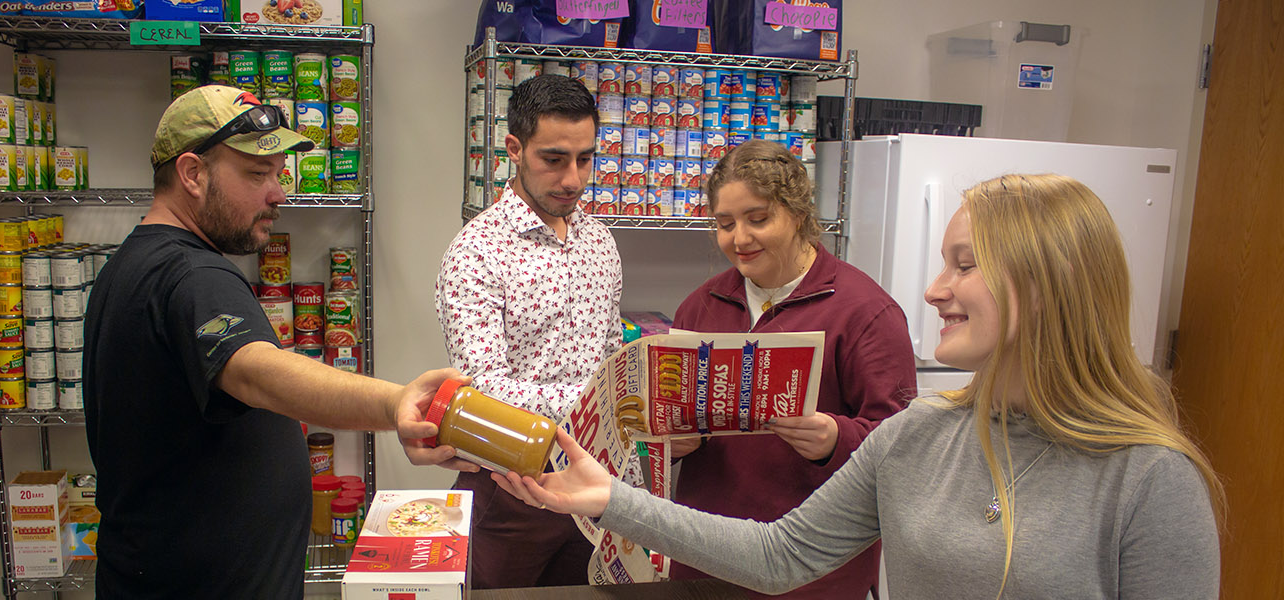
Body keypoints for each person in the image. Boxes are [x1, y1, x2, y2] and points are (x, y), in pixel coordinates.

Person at [494, 173, 1226, 598]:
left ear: (1049, 283)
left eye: (964, 265)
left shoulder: (1150, 478)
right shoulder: (921, 436)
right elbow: (780, 555)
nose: (935, 289)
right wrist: (612, 500)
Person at [83, 85, 468, 599]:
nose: (278, 193)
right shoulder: (194, 275)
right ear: (193, 174)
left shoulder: (132, 263)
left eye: (279, 173)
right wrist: (396, 401)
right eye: (256, 174)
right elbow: (256, 370)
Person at [665, 139, 916, 599]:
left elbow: (905, 450)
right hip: (704, 556)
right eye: (724, 225)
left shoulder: (866, 312)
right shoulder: (699, 308)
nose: (739, 239)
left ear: (798, 213)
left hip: (813, 571)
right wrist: (671, 445)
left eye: (758, 219)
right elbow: (657, 436)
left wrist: (835, 440)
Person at [434, 74, 624, 588]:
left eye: (585, 159)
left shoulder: (600, 242)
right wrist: (594, 401)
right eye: (554, 159)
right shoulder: (477, 251)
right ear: (514, 149)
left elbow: (610, 349)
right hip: (509, 485)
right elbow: (483, 387)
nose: (573, 178)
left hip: (593, 479)